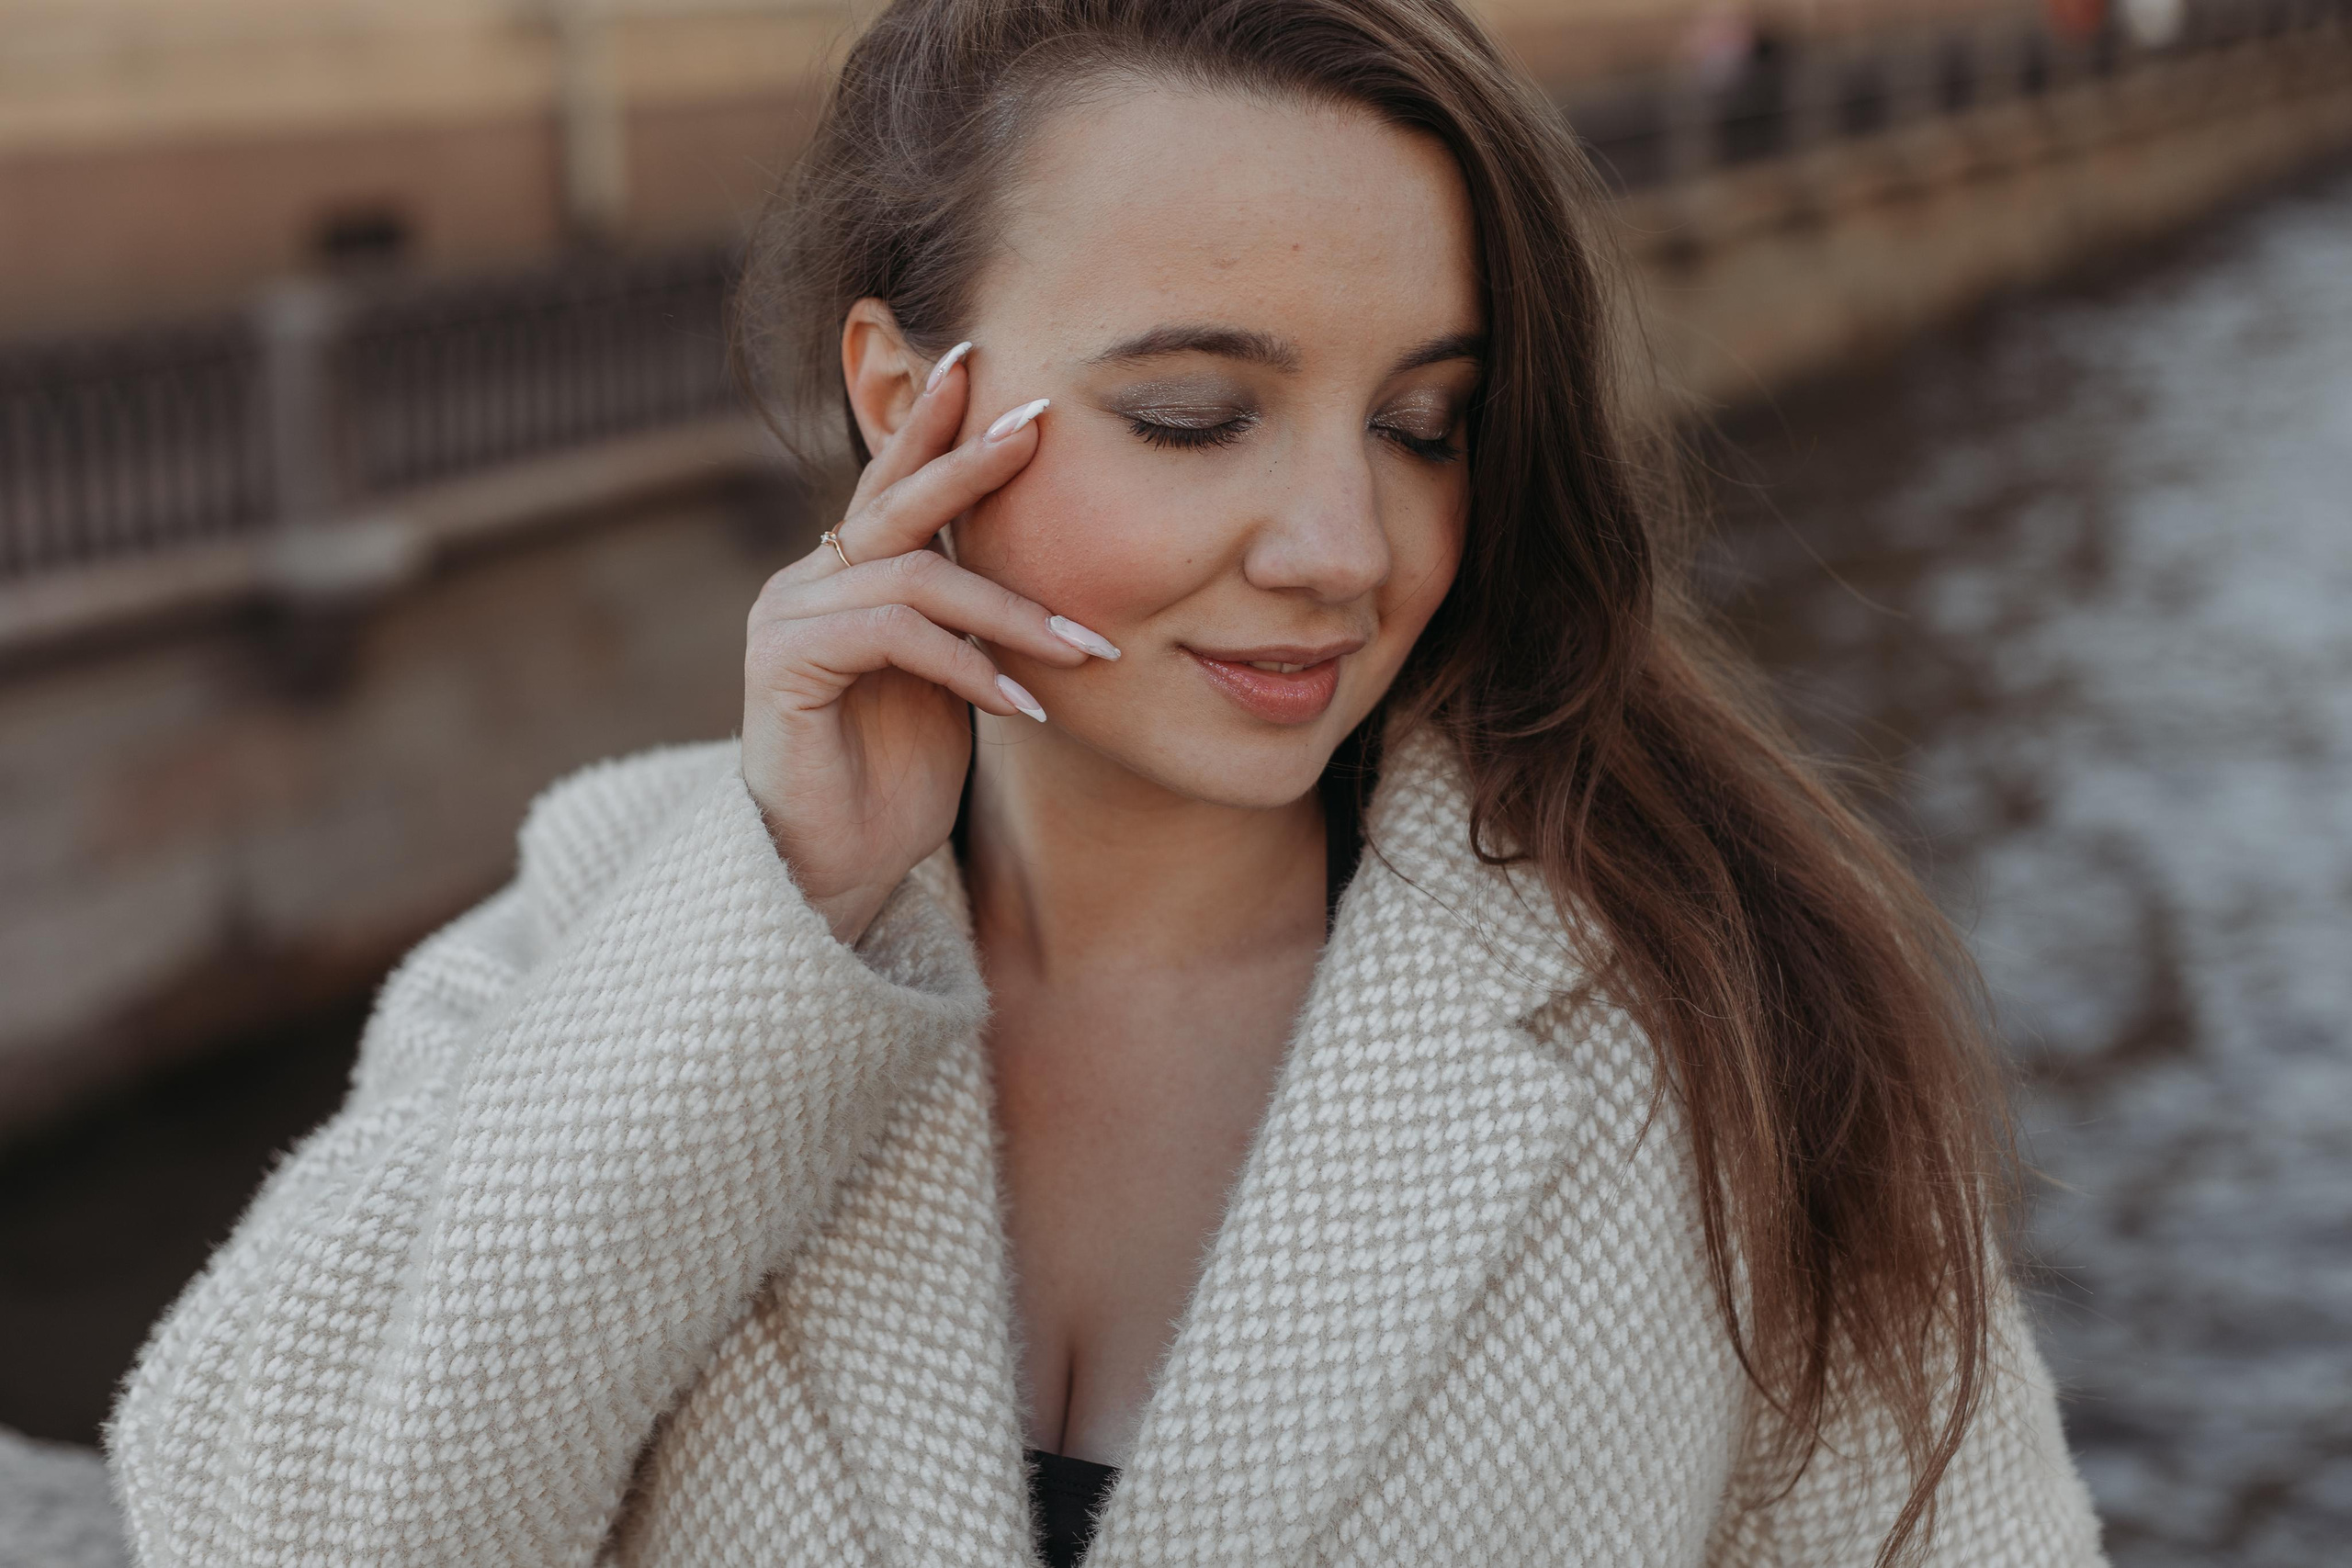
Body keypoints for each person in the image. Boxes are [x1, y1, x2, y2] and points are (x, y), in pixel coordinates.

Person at [107, 2, 2109, 1564]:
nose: (1341, 547)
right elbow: (271, 1530)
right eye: (1195, 413)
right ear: (905, 400)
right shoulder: (610, 906)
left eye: (1425, 422)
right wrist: (786, 911)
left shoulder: (1719, 1013)